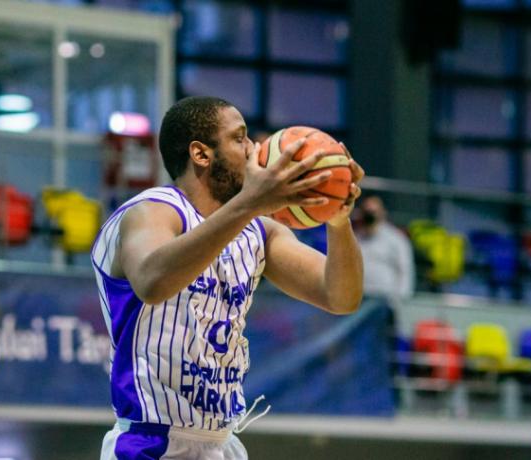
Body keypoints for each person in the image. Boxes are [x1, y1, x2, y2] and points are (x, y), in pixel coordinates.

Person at [92, 96, 365, 459]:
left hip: (221, 443)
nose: (254, 149)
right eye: (239, 137)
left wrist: (338, 220)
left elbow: (341, 297)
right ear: (201, 154)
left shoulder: (260, 230)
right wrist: (250, 203)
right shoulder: (153, 211)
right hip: (150, 441)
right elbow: (152, 282)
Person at [355, 194, 414, 300]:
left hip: (384, 296)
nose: (370, 217)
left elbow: (405, 270)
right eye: (367, 212)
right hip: (357, 295)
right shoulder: (354, 238)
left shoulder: (396, 239)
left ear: (382, 213)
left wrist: (400, 299)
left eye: (373, 212)